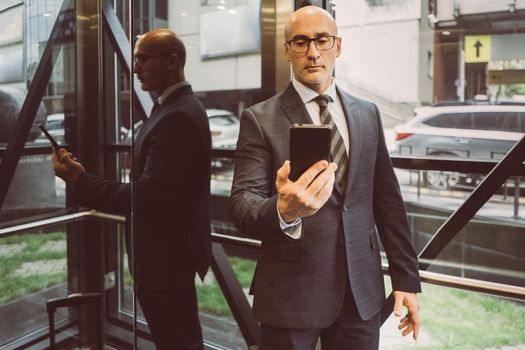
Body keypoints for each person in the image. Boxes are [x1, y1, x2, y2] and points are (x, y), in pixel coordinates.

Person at [230, 6, 421, 350]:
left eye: (322, 40)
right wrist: (284, 210)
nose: (313, 52)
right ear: (287, 50)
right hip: (291, 295)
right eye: (301, 42)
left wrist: (406, 280)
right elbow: (242, 206)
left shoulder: (367, 114)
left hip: (360, 294)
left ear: (338, 46)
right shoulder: (259, 119)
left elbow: (387, 202)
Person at [53, 29, 211, 350]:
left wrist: (79, 179)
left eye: (142, 59)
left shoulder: (176, 115)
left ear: (172, 61)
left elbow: (147, 198)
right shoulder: (177, 107)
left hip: (164, 263)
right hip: (169, 259)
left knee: (177, 342)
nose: (135, 69)